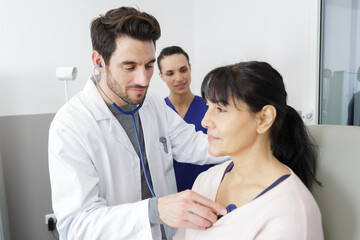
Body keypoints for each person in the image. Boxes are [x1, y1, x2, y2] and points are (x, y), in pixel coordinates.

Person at [48, 7, 228, 240]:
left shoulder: (151, 103)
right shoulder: (71, 124)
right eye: (130, 67)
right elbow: (77, 226)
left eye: (149, 65)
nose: (143, 80)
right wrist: (154, 210)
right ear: (99, 61)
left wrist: (248, 146)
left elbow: (193, 144)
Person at [175, 61, 323, 239]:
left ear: (263, 119)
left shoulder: (290, 212)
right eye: (208, 107)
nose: (205, 121)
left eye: (220, 109)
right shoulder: (206, 181)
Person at [157, 46, 214, 192]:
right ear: (161, 76)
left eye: (183, 70)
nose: (179, 78)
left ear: (190, 68)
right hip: (172, 196)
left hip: (209, 190)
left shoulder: (211, 108)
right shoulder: (157, 113)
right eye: (170, 73)